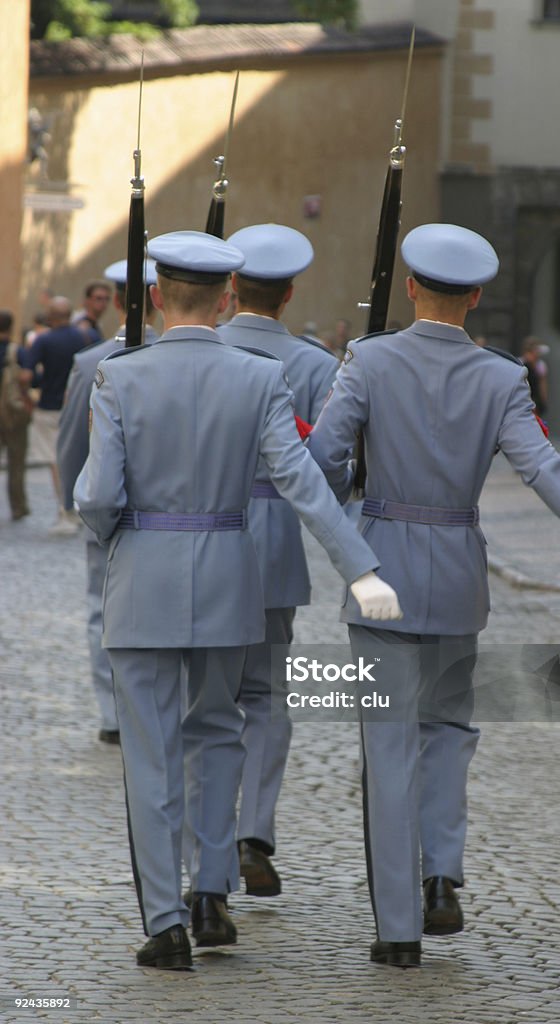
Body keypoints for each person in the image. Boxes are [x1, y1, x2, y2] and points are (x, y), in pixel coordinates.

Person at [307, 223, 560, 969]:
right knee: (447, 736)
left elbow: (322, 463)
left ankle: (398, 930)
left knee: (389, 744)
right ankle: (441, 874)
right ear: (475, 296)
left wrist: (345, 499)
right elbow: (547, 470)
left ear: (408, 288)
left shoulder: (367, 360)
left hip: (381, 562)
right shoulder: (500, 377)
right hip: (459, 574)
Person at [73, 230, 401, 972]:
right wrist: (360, 568)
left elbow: (97, 496)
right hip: (230, 572)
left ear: (155, 296)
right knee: (219, 735)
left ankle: (164, 923)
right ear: (225, 300)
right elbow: (304, 486)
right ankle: (212, 892)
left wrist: (119, 534)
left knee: (152, 757)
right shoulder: (259, 376)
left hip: (145, 578)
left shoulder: (120, 375)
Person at [217, 223, 339, 898]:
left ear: (231, 287)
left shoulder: (202, 351)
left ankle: (207, 849)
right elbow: (327, 471)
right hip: (276, 547)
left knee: (203, 701)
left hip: (202, 539)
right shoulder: (317, 365)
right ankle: (252, 832)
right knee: (265, 697)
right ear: (289, 294)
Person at [57, 258, 158, 745]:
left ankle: (114, 715)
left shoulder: (90, 361)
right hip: (169, 510)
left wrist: (72, 500)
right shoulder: (182, 357)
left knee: (103, 611)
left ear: (118, 301)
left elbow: (72, 440)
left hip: (106, 508)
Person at [23, 296, 86, 534]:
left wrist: (28, 397)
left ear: (50, 316)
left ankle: (65, 508)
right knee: (76, 455)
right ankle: (76, 505)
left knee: (55, 460)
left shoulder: (43, 340)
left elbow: (25, 376)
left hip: (50, 404)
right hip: (75, 404)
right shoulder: (82, 337)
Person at [0, 311, 32, 521]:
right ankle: (18, 506)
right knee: (16, 462)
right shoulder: (16, 351)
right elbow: (28, 377)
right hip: (13, 413)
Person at [71, 279, 112, 345]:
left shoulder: (97, 323)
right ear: (87, 300)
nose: (103, 302)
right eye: (99, 298)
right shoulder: (79, 323)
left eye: (107, 299)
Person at [521, 336, 549, 418]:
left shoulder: (539, 365)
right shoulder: (521, 364)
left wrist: (543, 401)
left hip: (535, 400)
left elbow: (542, 385)